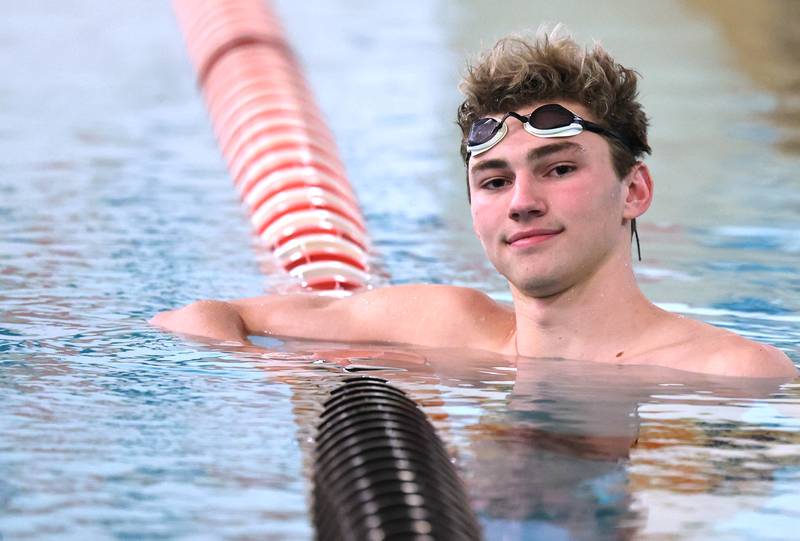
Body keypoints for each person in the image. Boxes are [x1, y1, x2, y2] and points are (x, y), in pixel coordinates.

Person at [151, 29, 797, 379]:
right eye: (492, 180)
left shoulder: (733, 374)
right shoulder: (443, 324)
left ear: (634, 190)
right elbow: (196, 316)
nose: (521, 202)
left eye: (559, 168)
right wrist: (276, 374)